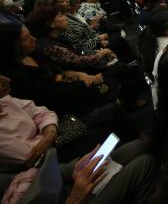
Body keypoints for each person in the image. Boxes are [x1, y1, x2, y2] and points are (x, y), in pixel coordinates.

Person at [0, 77, 155, 204]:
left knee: (139, 146)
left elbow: (44, 113)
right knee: (144, 163)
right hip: (64, 191)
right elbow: (31, 155)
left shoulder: (5, 101)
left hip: (52, 172)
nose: (6, 79)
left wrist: (73, 169)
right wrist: (74, 198)